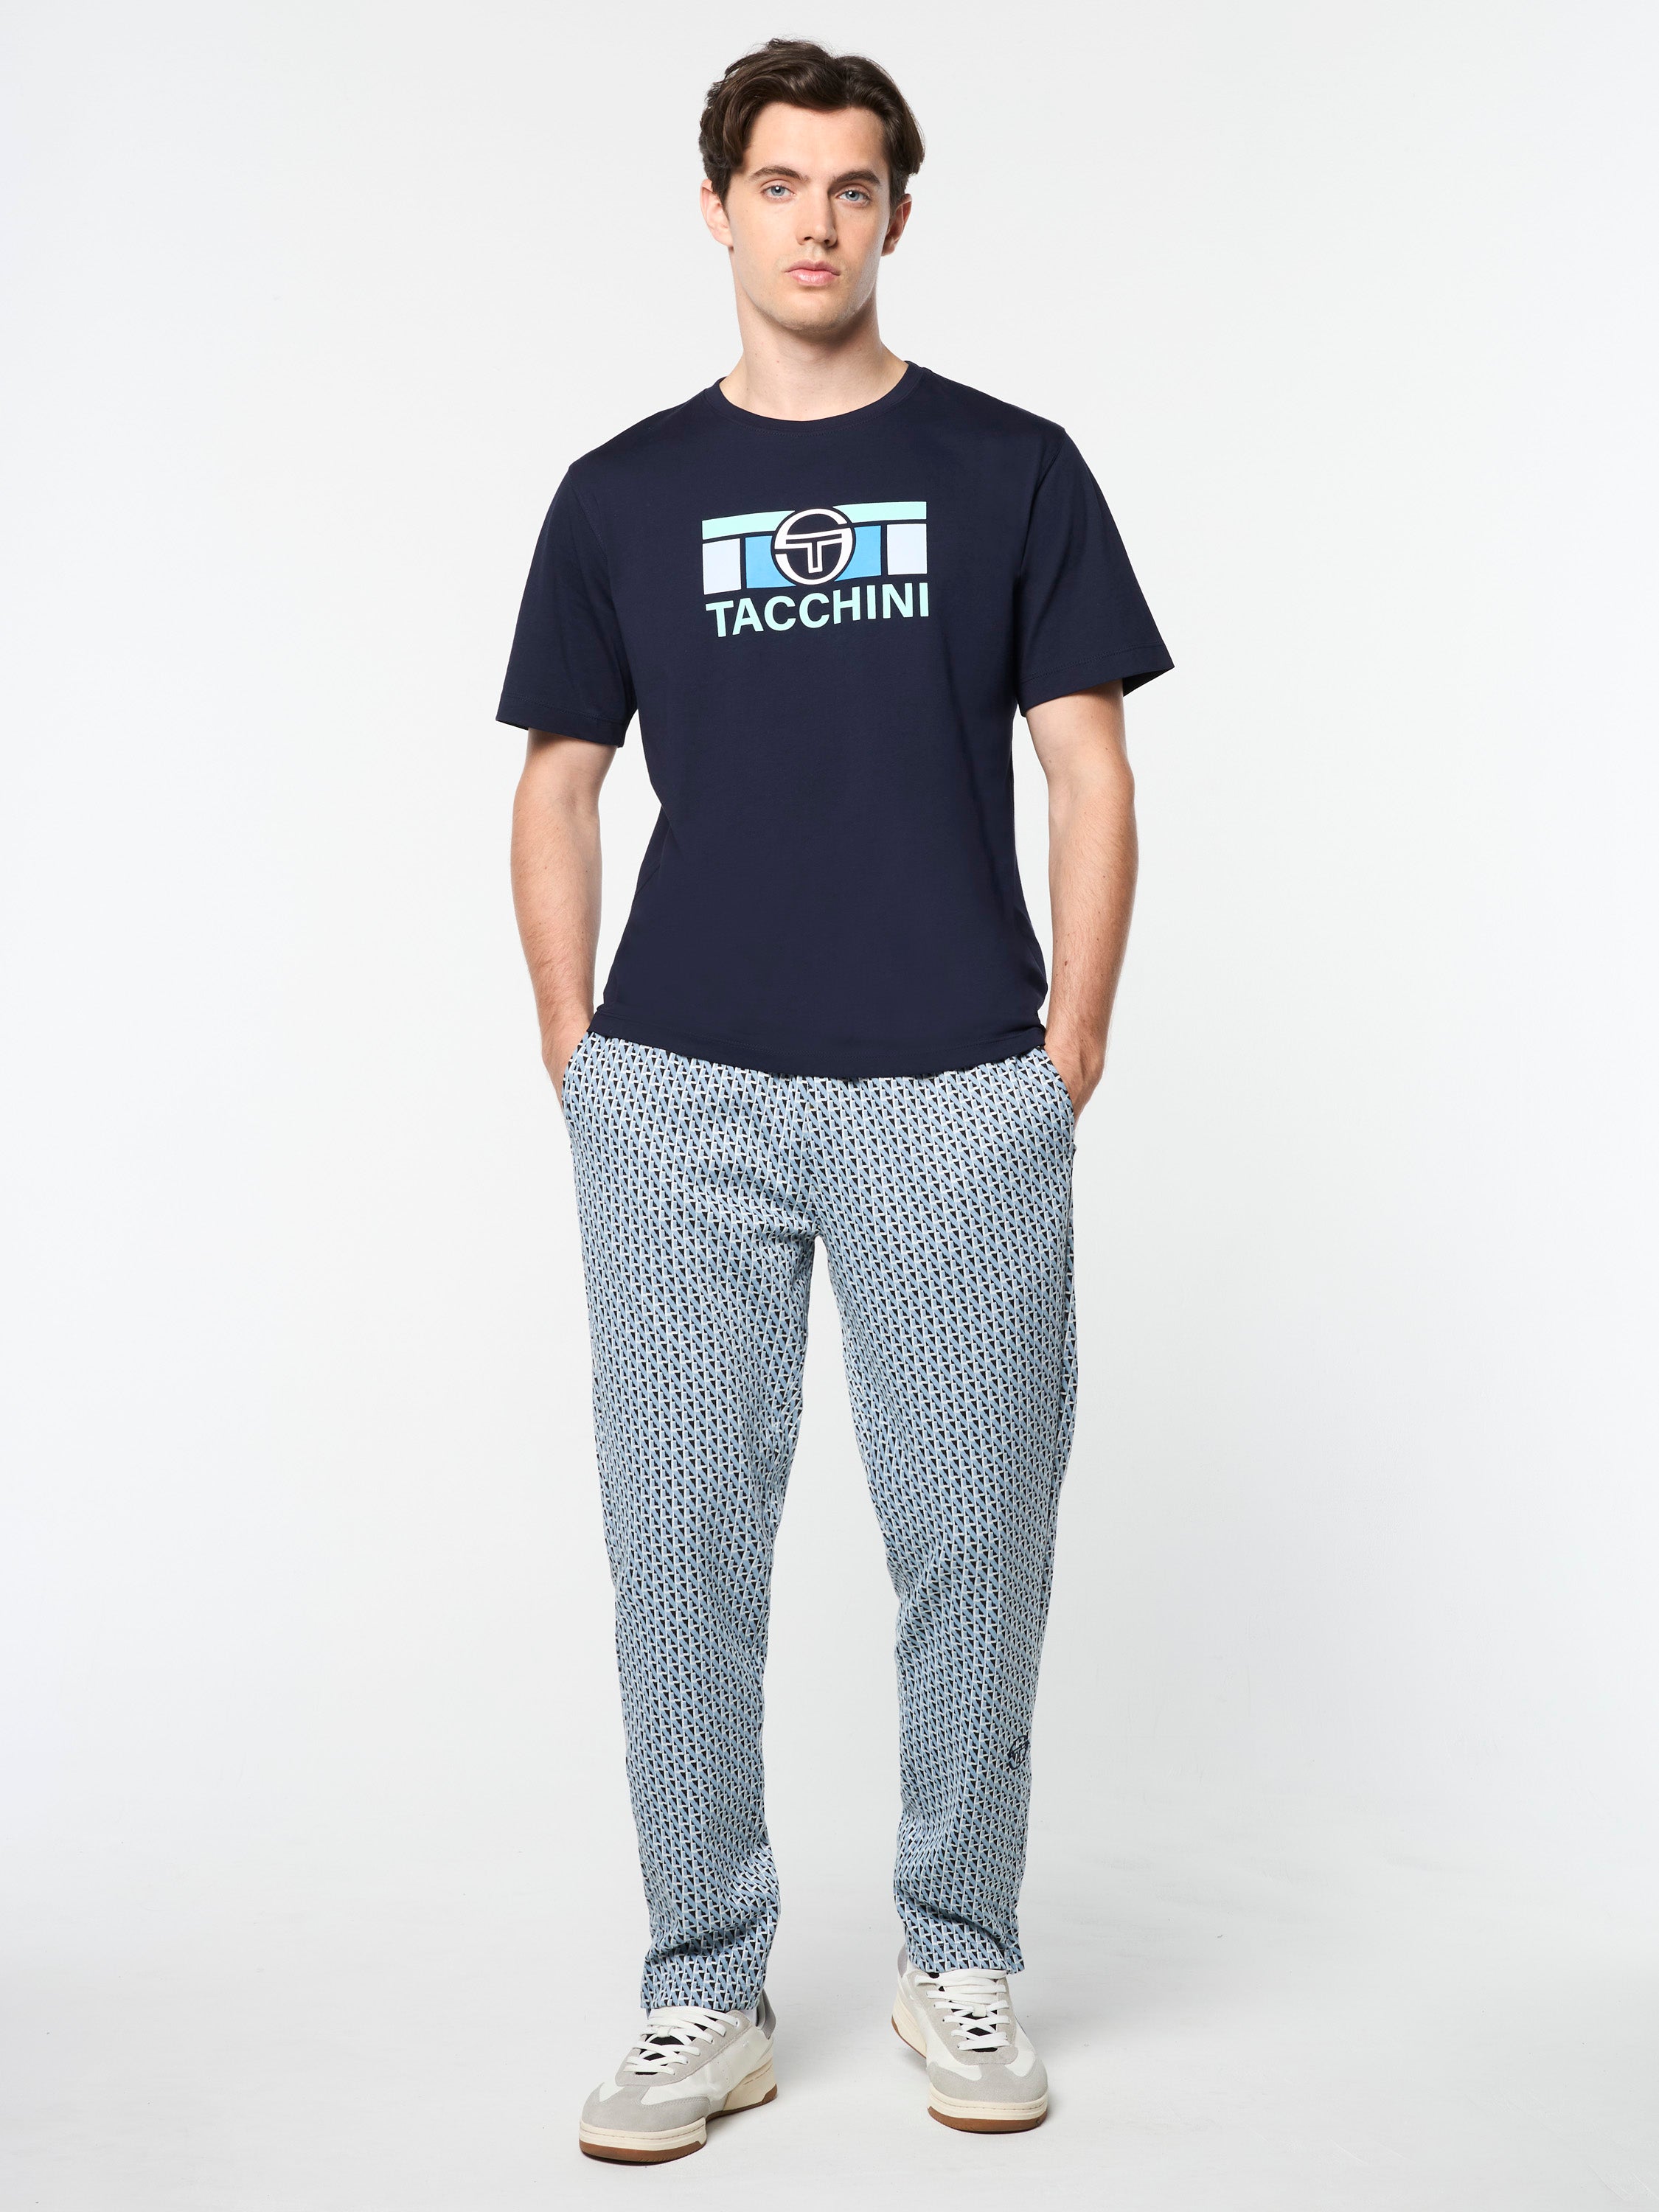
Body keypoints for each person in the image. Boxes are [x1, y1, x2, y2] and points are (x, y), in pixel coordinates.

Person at [499, 37, 1172, 2165]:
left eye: (852, 186)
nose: (814, 220)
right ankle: (703, 1988)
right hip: (680, 1096)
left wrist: (1068, 1043)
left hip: (954, 1086)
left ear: (896, 213)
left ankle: (956, 1951)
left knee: (973, 1538)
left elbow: (1088, 767)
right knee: (679, 1547)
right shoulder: (620, 493)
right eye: (778, 184)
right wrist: (579, 1047)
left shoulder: (1011, 470)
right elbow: (557, 780)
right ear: (716, 208)